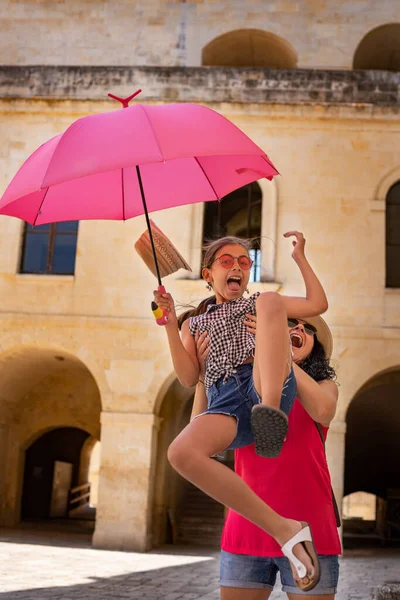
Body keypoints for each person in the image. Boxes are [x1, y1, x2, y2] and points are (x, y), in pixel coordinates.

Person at [154, 232, 328, 591]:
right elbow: (188, 377)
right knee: (180, 453)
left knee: (269, 301)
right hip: (225, 399)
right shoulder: (194, 323)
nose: (237, 266)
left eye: (244, 262)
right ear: (208, 275)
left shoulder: (256, 304)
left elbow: (316, 304)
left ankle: (269, 412)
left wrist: (300, 258)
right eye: (227, 261)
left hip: (263, 383)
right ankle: (285, 529)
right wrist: (170, 322)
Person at [194, 314, 340, 599]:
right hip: (246, 529)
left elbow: (323, 411)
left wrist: (277, 350)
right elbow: (200, 435)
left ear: (316, 346)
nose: (298, 328)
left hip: (311, 531)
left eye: (307, 328)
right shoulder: (243, 387)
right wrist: (204, 377)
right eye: (287, 322)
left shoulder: (324, 386)